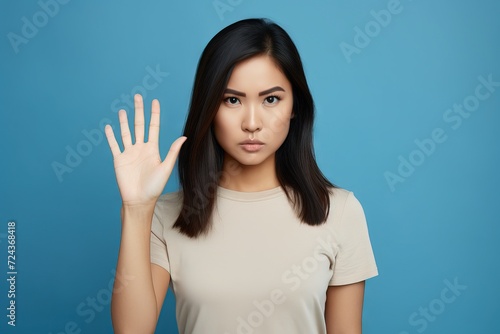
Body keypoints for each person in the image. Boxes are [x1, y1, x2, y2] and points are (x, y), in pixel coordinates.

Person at [105, 18, 378, 334]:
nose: (251, 122)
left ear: (294, 107)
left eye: (271, 99)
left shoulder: (340, 212)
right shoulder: (167, 215)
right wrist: (138, 211)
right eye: (232, 100)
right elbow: (131, 331)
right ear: (209, 108)